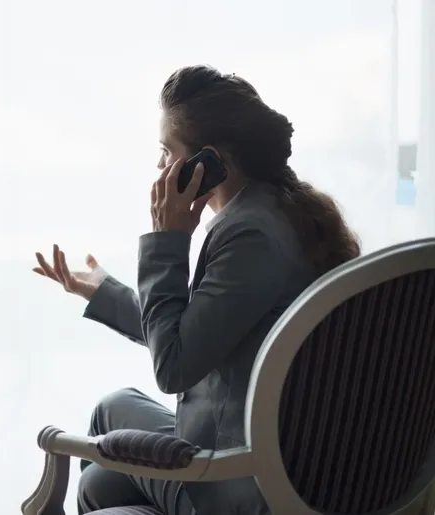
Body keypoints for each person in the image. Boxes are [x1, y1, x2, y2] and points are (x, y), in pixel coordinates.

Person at [33, 65, 361, 515]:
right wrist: (102, 293)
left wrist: (166, 241)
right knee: (108, 447)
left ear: (206, 163)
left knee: (102, 461)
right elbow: (202, 330)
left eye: (166, 152)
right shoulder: (285, 211)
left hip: (244, 479)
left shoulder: (248, 236)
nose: (160, 166)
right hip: (280, 452)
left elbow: (174, 366)